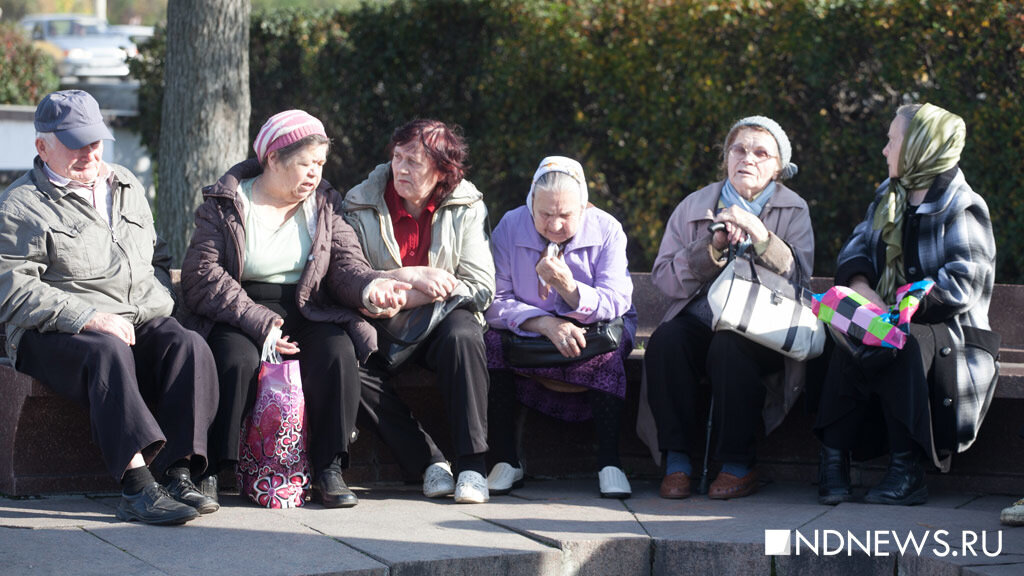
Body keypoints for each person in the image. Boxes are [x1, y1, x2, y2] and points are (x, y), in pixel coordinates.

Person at [0, 90, 219, 525]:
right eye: (74, 143)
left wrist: (157, 301)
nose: (89, 153)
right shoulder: (20, 205)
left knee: (188, 345)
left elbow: (156, 254)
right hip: (49, 332)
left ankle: (177, 473)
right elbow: (13, 289)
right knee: (107, 351)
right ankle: (136, 487)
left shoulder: (126, 184)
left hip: (132, 317)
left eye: (95, 141)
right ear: (42, 146)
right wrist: (88, 318)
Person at [180, 110, 409, 509]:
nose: (314, 174)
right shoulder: (226, 202)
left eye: (320, 164)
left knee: (337, 351)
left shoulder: (324, 204)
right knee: (235, 359)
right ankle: (210, 469)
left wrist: (371, 287)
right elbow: (202, 276)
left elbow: (346, 264)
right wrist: (261, 323)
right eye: (306, 164)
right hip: (239, 309)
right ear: (273, 158)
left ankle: (329, 469)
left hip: (305, 308)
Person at [815, 104, 997, 506]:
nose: (885, 150)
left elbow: (964, 284)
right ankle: (833, 459)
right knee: (842, 335)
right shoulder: (889, 195)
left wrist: (902, 307)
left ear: (919, 146)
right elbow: (856, 247)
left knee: (903, 341)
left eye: (892, 140)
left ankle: (907, 470)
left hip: (950, 334)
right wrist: (861, 286)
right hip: (889, 319)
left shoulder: (962, 205)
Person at [641, 116, 814, 500]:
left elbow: (801, 279)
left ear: (778, 168)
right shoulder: (694, 206)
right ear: (726, 158)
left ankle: (738, 464)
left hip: (763, 327)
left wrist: (761, 236)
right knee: (668, 340)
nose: (747, 158)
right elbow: (665, 279)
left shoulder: (794, 209)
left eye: (761, 153)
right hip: (702, 319)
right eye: (739, 149)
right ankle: (676, 461)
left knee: (730, 346)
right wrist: (713, 247)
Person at [344, 119, 495, 504]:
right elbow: (350, 279)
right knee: (342, 361)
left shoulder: (468, 205)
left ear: (443, 170)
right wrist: (411, 282)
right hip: (380, 321)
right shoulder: (359, 203)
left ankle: (473, 467)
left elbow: (480, 287)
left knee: (464, 335)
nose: (401, 168)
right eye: (397, 157)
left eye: (413, 161)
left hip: (443, 319)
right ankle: (429, 462)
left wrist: (427, 291)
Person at [484, 156, 636, 498]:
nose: (554, 225)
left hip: (593, 327)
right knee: (488, 345)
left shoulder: (607, 228)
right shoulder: (510, 226)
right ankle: (506, 459)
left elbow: (617, 300)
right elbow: (494, 299)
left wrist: (570, 290)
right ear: (531, 204)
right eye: (544, 214)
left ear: (583, 207)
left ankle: (610, 462)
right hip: (530, 328)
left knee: (609, 355)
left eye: (565, 215)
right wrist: (544, 323)